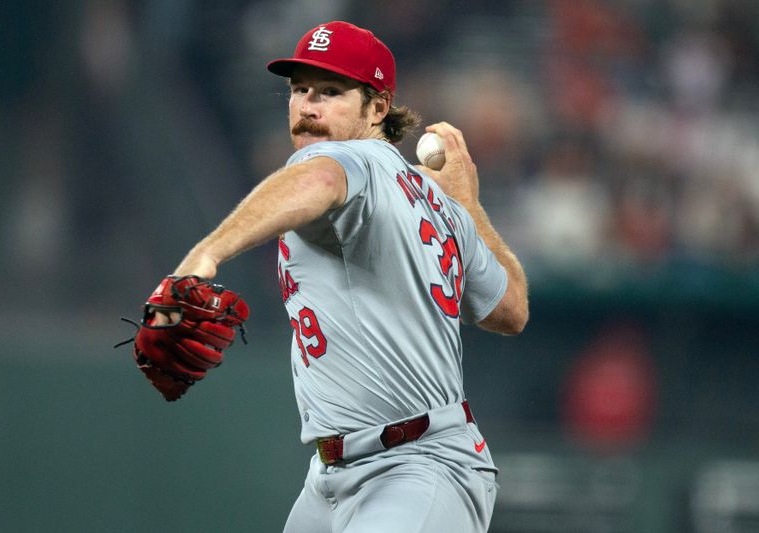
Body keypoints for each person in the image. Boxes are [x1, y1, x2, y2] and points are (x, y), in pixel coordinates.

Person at [168, 20, 528, 533]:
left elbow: (319, 177)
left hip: (416, 468)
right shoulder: (437, 205)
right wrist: (467, 206)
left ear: (377, 107)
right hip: (334, 476)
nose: (309, 106)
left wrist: (208, 252)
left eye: (332, 92)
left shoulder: (345, 159)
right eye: (300, 90)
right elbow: (511, 307)